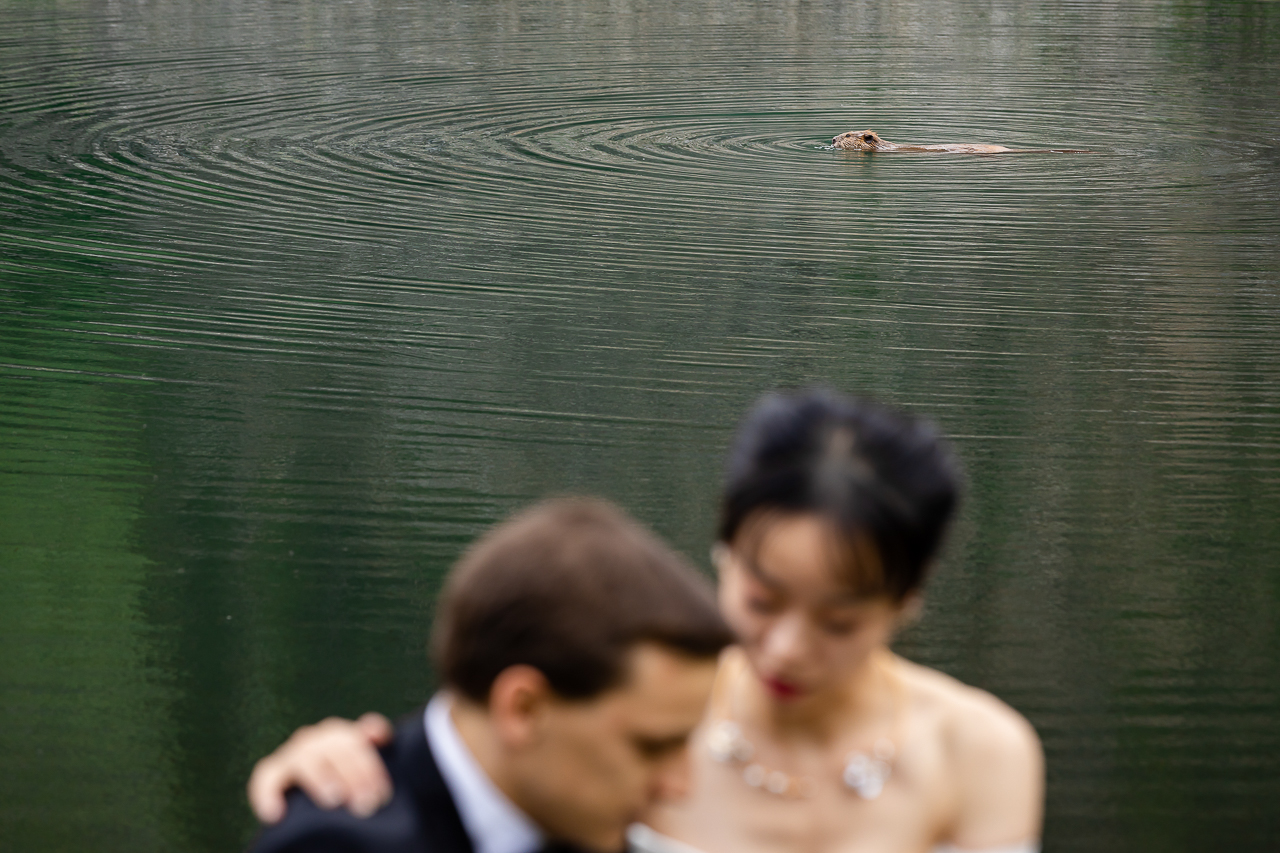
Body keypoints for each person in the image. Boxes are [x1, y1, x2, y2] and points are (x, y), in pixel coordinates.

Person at [250, 390, 1045, 853]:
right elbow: (485, 757)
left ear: (906, 600)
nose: (786, 646)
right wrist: (341, 767)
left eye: (840, 620)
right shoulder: (639, 700)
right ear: (722, 551)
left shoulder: (976, 752)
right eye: (762, 599)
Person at [248, 497, 734, 853]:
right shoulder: (335, 841)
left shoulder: (589, 827)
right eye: (650, 747)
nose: (680, 785)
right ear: (523, 709)